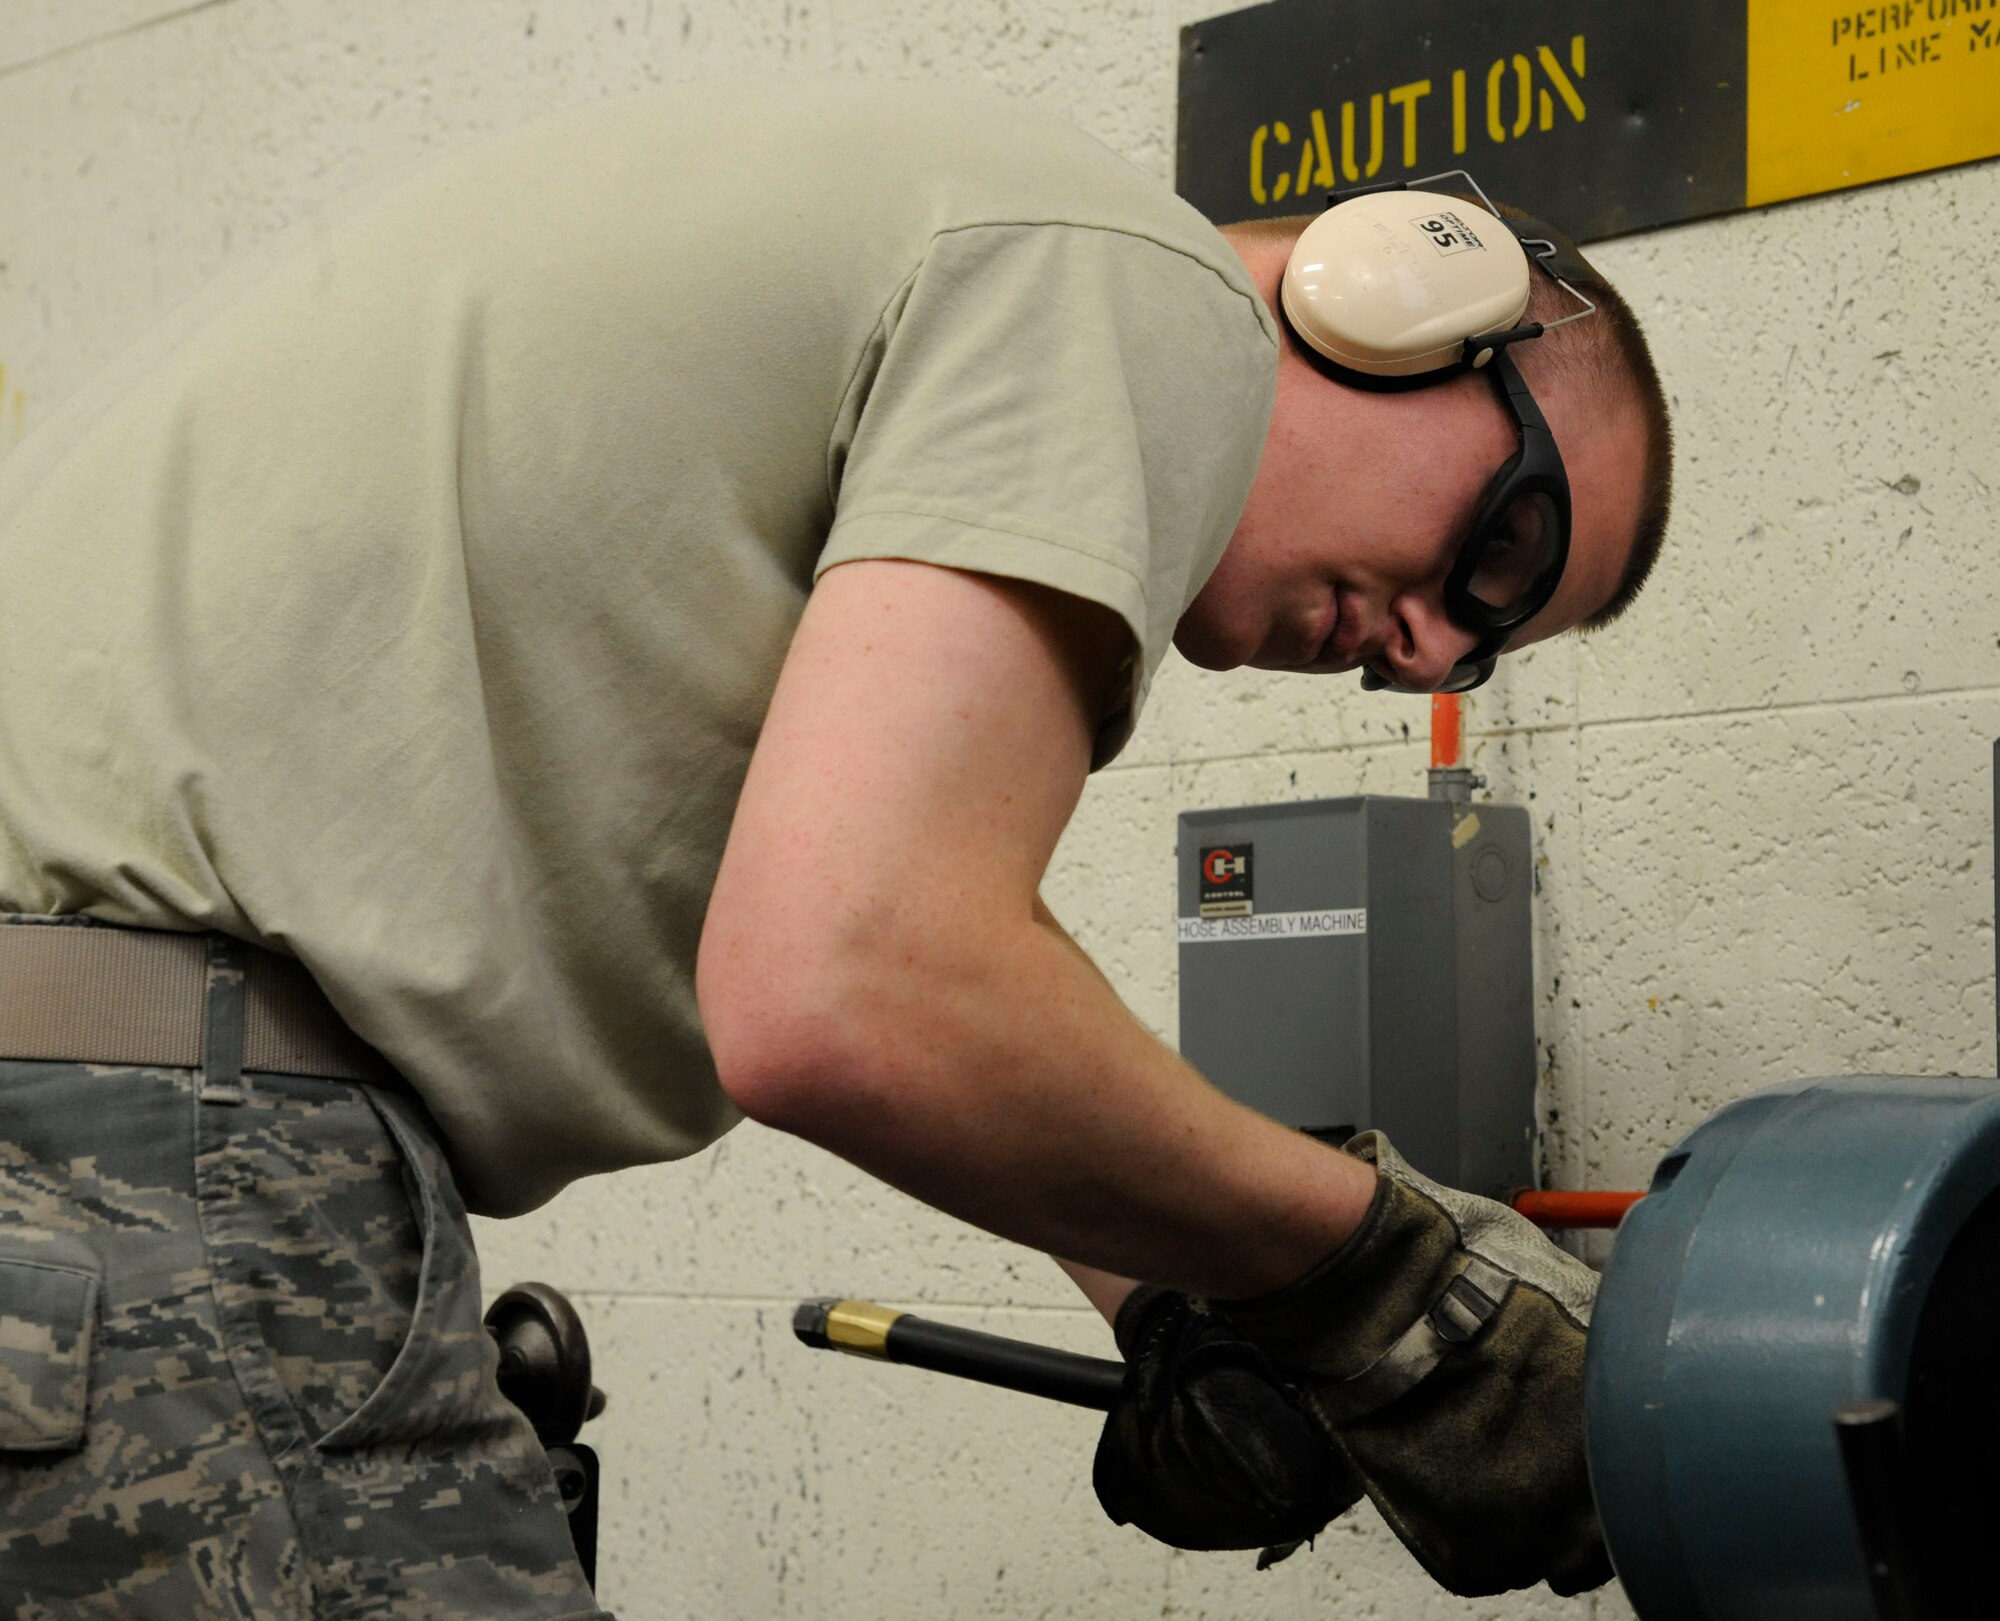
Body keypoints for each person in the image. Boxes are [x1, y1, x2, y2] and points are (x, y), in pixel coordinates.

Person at [0, 77, 1670, 1616]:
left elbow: (868, 918)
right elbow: (848, 985)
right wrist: (1378, 1275)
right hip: (157, 1147)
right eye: (1508, 550)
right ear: (1399, 296)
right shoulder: (1138, 288)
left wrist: (1168, 1292)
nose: (1436, 652)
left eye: (1487, 649)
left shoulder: (927, 271)